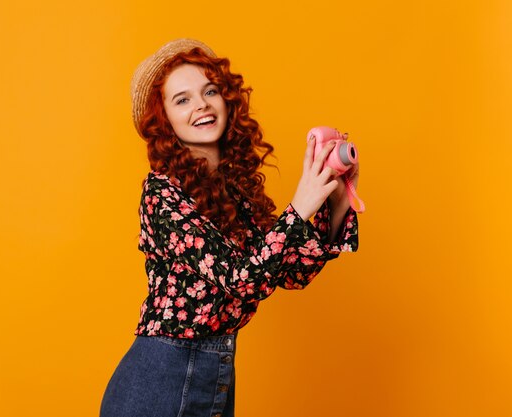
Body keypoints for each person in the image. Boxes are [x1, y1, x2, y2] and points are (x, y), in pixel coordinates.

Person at [100, 38, 359, 417]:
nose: (201, 104)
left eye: (210, 91)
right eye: (182, 99)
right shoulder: (162, 192)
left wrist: (333, 200)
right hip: (162, 378)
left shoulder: (233, 190)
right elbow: (241, 279)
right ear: (164, 122)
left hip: (215, 371)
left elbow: (290, 274)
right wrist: (299, 207)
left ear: (227, 100)